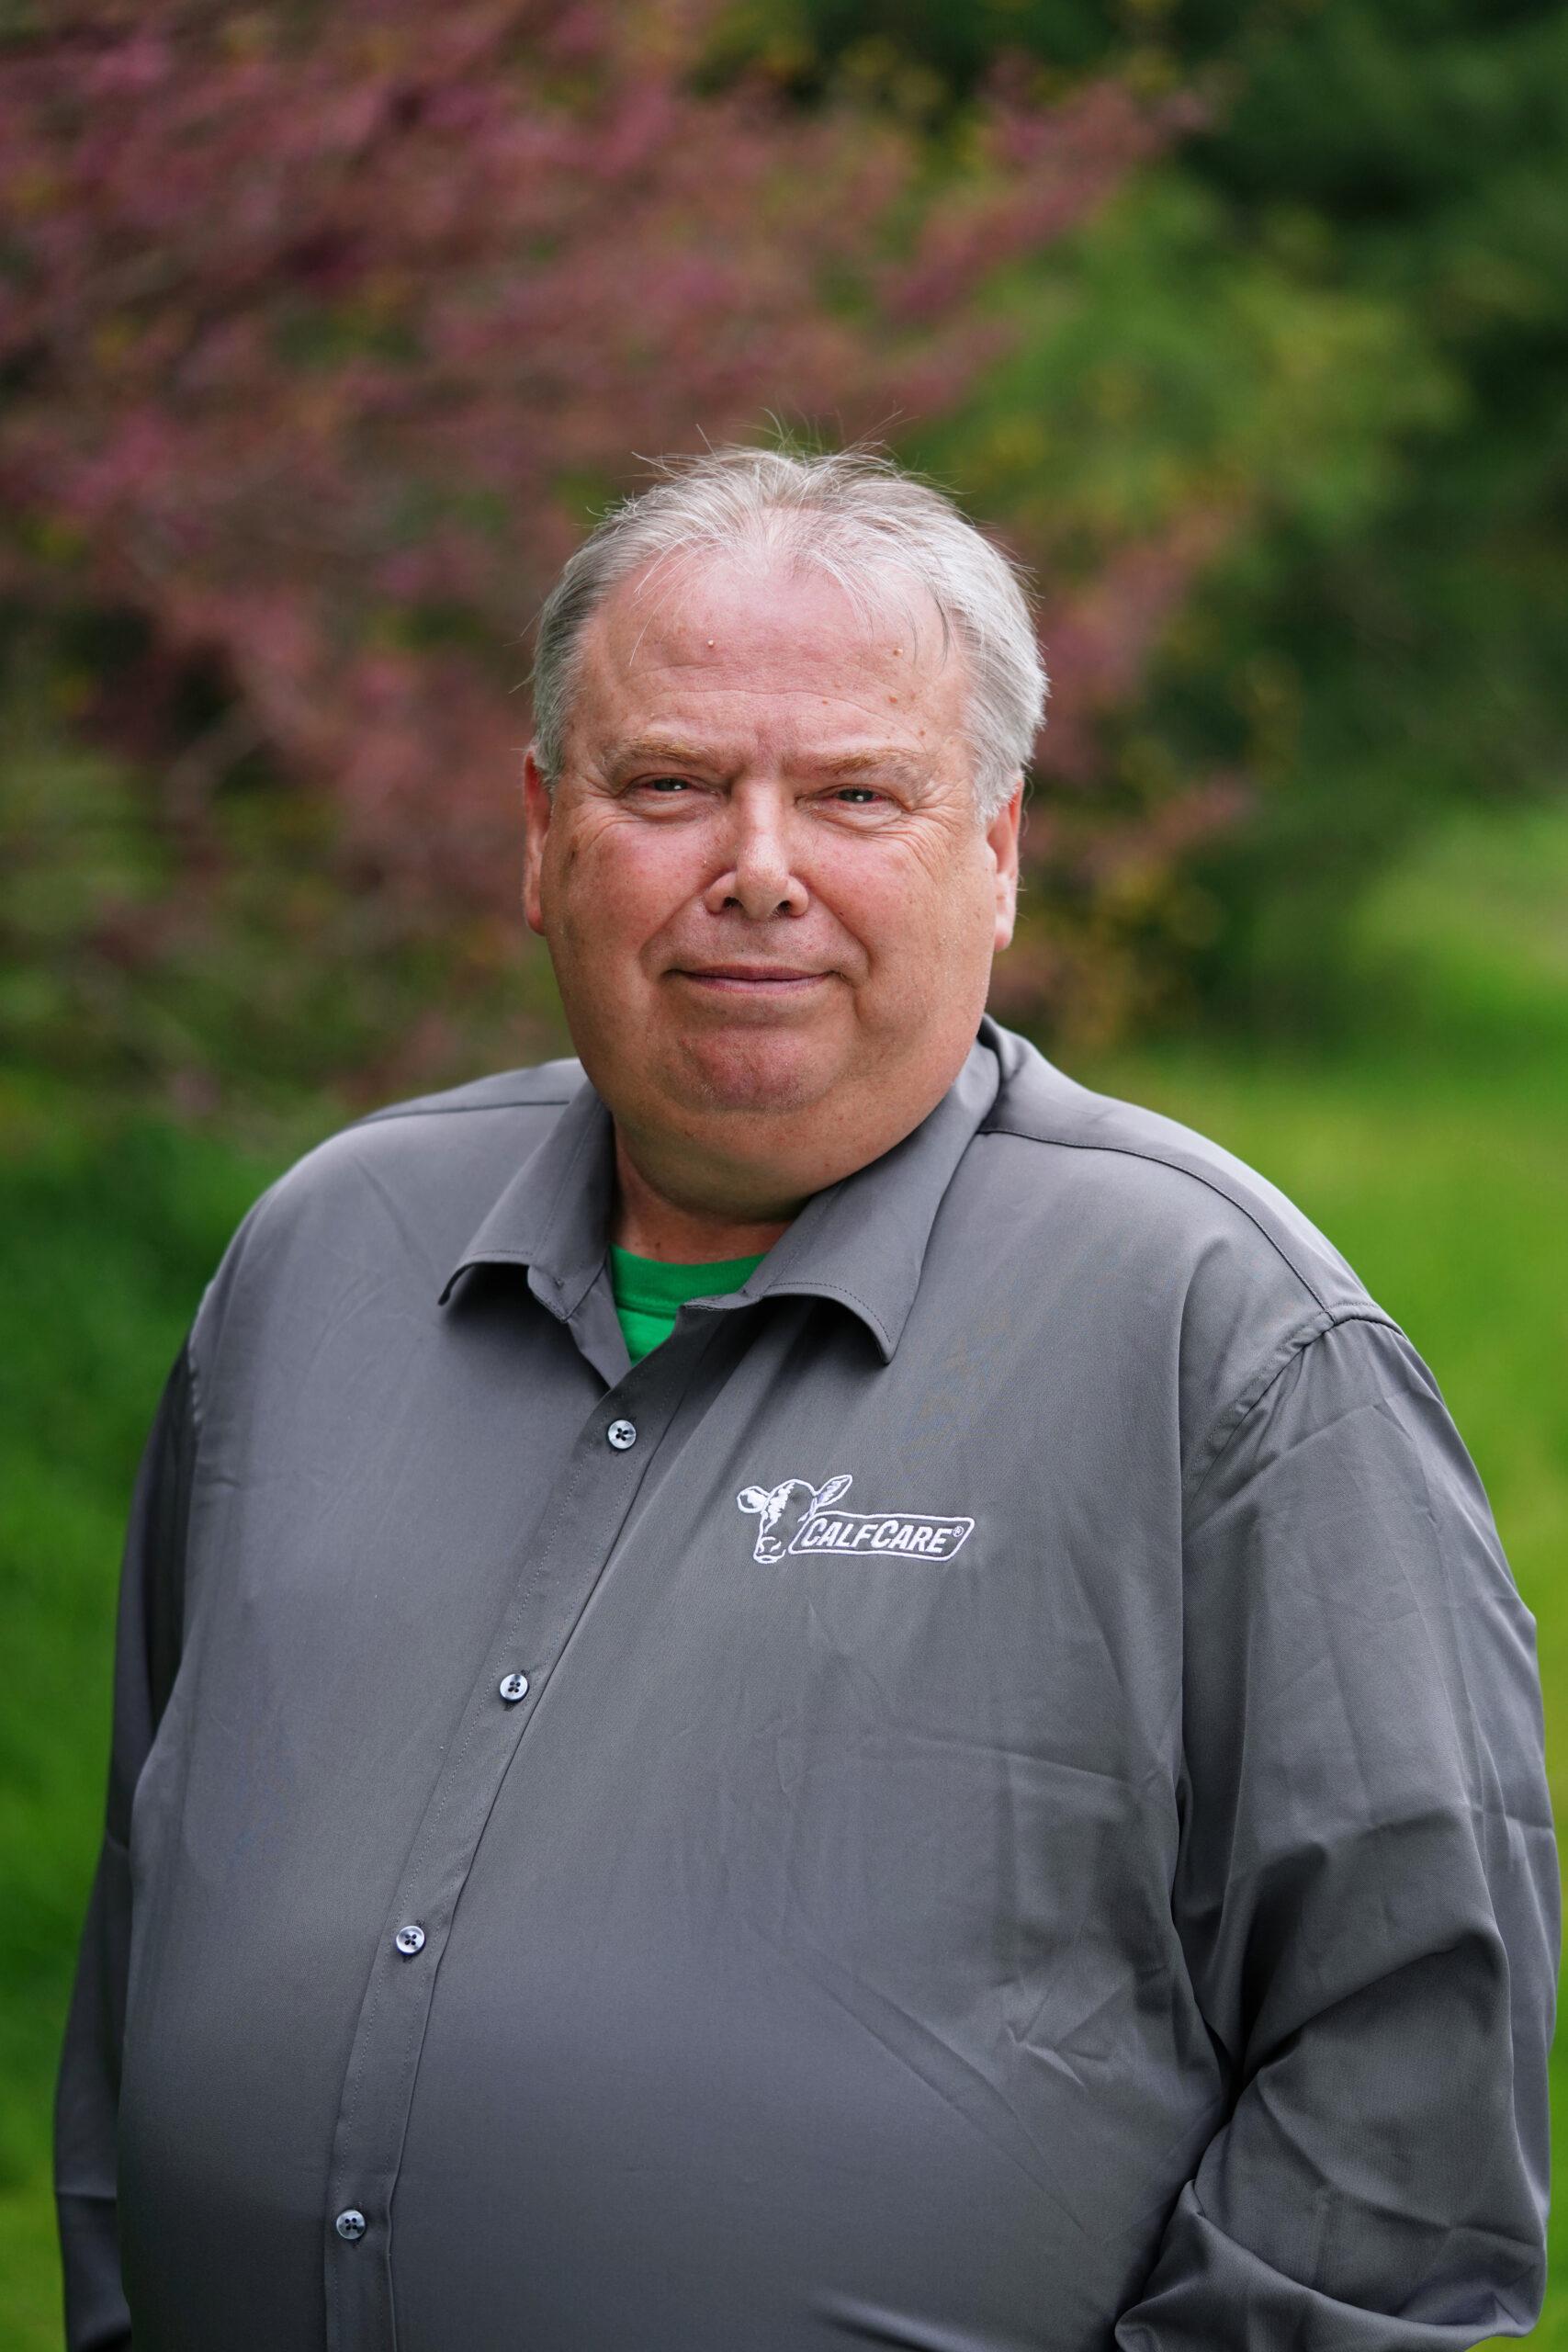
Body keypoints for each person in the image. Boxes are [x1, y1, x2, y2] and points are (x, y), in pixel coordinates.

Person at [57, 448, 1555, 2352]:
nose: (756, 867)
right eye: (668, 785)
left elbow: (1398, 2105)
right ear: (540, 834)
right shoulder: (319, 1261)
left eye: (854, 793)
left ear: (995, 851)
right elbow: (147, 1941)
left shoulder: (1224, 1345)